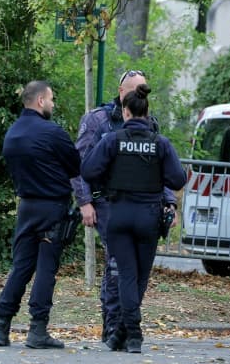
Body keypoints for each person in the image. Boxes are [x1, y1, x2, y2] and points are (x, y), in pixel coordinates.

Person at [70, 70, 179, 347]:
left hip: (139, 207)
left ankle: (123, 330)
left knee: (134, 272)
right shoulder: (99, 120)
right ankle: (114, 327)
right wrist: (84, 201)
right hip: (108, 202)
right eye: (136, 90)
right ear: (122, 93)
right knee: (118, 268)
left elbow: (160, 169)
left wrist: (170, 202)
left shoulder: (149, 125)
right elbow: (80, 164)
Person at [0, 80, 81, 349]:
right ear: (41, 101)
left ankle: (1, 327)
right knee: (46, 268)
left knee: (21, 266)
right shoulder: (52, 132)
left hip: (27, 206)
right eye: (51, 99)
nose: (53, 104)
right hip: (52, 207)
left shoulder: (12, 133)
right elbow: (75, 166)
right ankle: (37, 330)